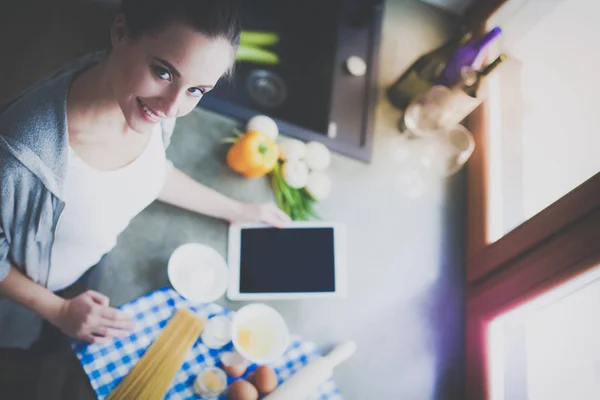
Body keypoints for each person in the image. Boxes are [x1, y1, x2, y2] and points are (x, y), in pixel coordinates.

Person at [0, 0, 290, 346]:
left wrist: (237, 210)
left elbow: (148, 173)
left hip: (82, 270)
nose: (172, 108)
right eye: (163, 72)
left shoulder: (143, 106)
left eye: (196, 90)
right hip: (29, 297)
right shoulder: (21, 154)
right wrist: (58, 311)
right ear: (120, 33)